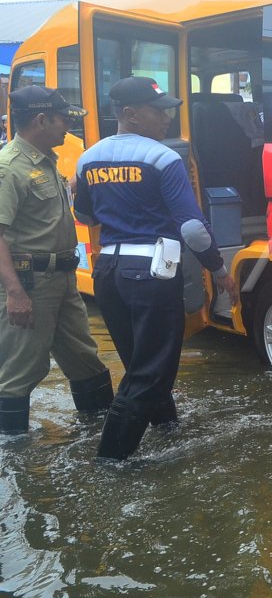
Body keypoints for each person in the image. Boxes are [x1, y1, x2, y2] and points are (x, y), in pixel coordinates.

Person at [74, 77, 239, 460]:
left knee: (138, 362)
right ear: (130, 114)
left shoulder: (88, 158)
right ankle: (111, 459)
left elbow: (84, 213)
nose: (167, 117)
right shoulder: (163, 158)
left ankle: (167, 427)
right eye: (158, 110)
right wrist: (218, 269)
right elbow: (193, 228)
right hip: (152, 271)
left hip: (109, 271)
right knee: (153, 371)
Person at [0, 87, 113, 434]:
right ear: (41, 119)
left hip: (62, 280)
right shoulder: (10, 168)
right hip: (30, 284)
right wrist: (15, 293)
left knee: (85, 359)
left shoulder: (45, 159)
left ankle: (103, 435)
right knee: (20, 371)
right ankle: (14, 456)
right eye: (64, 119)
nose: (69, 127)